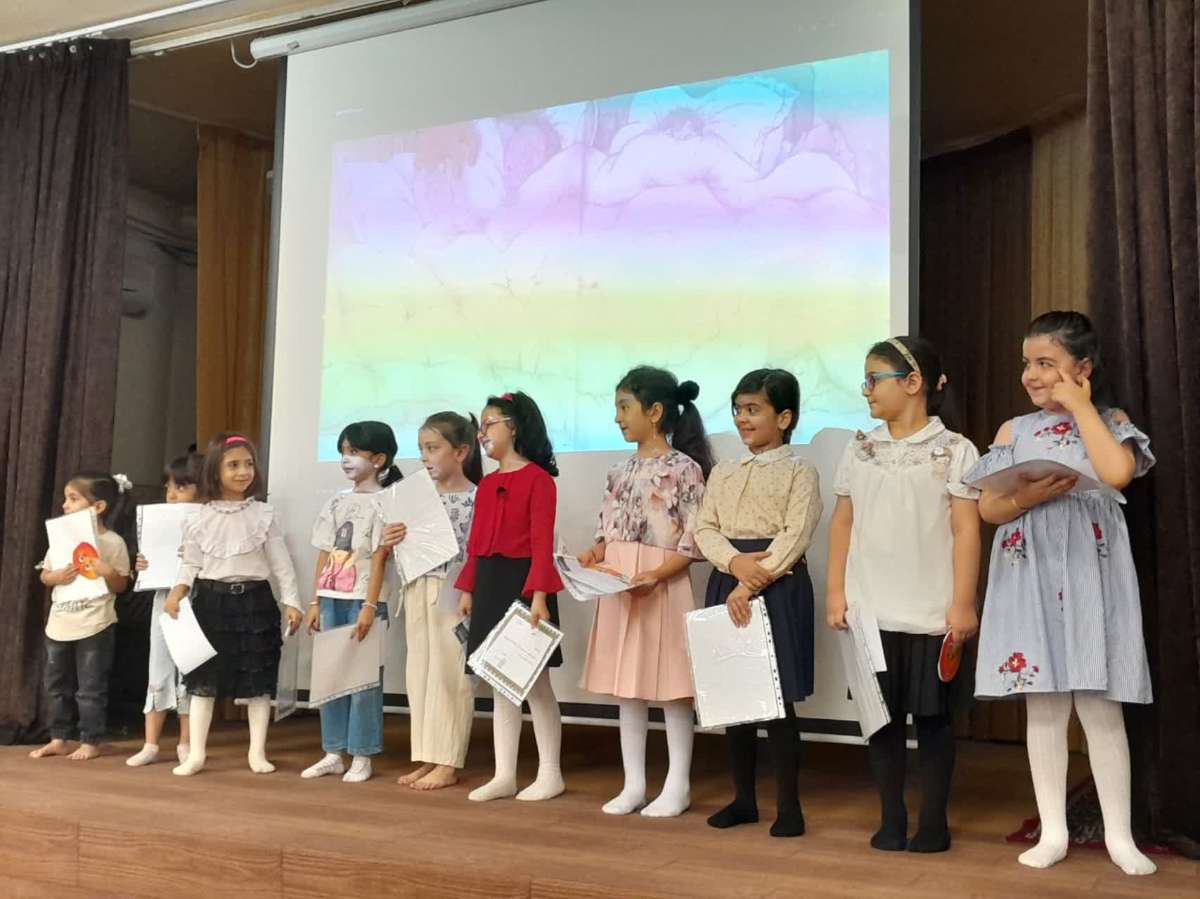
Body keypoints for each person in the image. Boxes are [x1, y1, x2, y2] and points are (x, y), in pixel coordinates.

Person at [969, 311, 1156, 876]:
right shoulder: (1013, 429)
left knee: (1100, 707)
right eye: (1027, 363)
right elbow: (988, 508)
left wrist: (1080, 407)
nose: (1031, 374)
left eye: (1046, 363)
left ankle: (1119, 835)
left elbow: (1117, 472)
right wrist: (1024, 498)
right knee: (1044, 706)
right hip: (1030, 573)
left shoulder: (1110, 420)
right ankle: (1053, 830)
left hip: (1090, 574)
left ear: (1083, 368)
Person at [827, 337, 981, 853]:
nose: (866, 389)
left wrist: (963, 603)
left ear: (914, 383)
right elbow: (843, 522)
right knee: (881, 721)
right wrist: (836, 592)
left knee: (934, 722)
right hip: (870, 610)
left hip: (932, 611)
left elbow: (966, 529)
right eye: (866, 380)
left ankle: (933, 822)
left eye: (875, 379)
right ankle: (891, 818)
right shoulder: (860, 448)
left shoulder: (955, 450)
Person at [579, 366, 711, 818]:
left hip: (662, 583)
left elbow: (694, 541)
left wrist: (656, 575)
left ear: (654, 412)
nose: (618, 417)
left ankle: (678, 784)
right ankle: (633, 783)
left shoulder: (685, 469)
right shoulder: (618, 471)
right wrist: (593, 554)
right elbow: (606, 532)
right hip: (621, 584)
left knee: (673, 686)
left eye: (625, 407)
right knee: (627, 686)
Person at [695, 369, 822, 837]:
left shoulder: (799, 470)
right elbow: (704, 527)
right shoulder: (724, 471)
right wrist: (733, 564)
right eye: (738, 410)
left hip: (776, 584)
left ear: (784, 418)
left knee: (777, 700)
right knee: (735, 696)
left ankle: (789, 807)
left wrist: (750, 583)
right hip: (729, 578)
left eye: (754, 410)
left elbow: (796, 532)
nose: (743, 419)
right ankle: (743, 800)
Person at [165, 433, 303, 776]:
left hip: (255, 602)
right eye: (234, 465)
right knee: (203, 681)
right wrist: (177, 591)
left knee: (258, 681)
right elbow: (190, 563)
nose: (243, 471)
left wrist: (292, 601)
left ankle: (257, 752)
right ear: (215, 471)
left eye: (249, 464)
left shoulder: (263, 514)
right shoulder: (197, 517)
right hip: (210, 602)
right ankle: (196, 754)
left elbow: (281, 564)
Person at [456, 391, 566, 802]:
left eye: (490, 424)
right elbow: (476, 544)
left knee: (535, 683)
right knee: (500, 680)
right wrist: (468, 587)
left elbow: (542, 543)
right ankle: (504, 774)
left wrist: (539, 595)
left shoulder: (539, 480)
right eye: (480, 426)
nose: (482, 433)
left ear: (514, 427)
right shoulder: (486, 485)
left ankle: (550, 772)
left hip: (524, 586)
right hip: (490, 583)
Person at [383, 412, 481, 791]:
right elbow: (398, 545)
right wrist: (392, 538)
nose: (425, 456)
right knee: (420, 672)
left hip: (454, 589)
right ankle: (428, 754)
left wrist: (470, 590)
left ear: (461, 452)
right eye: (422, 448)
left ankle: (448, 759)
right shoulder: (415, 497)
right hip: (417, 586)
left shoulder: (477, 497)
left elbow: (478, 550)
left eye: (433, 448)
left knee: (450, 674)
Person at [301, 422, 400, 784]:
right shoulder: (336, 501)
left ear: (379, 459)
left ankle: (362, 753)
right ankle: (333, 751)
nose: (346, 459)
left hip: (364, 600)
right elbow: (325, 553)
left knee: (363, 680)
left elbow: (380, 558)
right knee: (331, 674)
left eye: (355, 452)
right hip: (331, 598)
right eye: (343, 451)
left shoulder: (387, 502)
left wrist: (370, 606)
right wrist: (315, 600)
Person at [30, 472, 134, 761]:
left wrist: (108, 571)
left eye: (73, 499)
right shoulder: (61, 539)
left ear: (98, 506)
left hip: (95, 623)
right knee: (56, 685)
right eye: (66, 499)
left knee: (90, 687)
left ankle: (90, 739)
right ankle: (59, 737)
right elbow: (45, 575)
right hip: (60, 623)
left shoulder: (113, 542)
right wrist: (56, 577)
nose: (65, 505)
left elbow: (121, 585)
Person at [127, 452, 204, 767]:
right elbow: (148, 560)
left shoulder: (208, 521)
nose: (171, 494)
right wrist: (141, 565)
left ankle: (186, 742)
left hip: (195, 597)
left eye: (181, 487)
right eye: (169, 487)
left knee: (189, 669)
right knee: (157, 666)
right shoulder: (158, 519)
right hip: (162, 595)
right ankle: (151, 744)